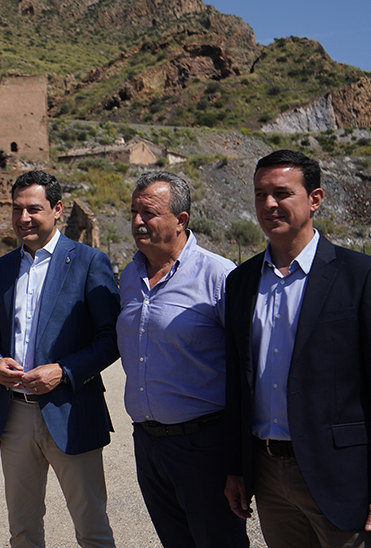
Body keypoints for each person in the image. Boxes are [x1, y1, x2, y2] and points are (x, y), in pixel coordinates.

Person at [223, 150, 371, 548]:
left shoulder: (364, 277)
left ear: (315, 199)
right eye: (260, 194)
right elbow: (237, 382)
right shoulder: (241, 281)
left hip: (342, 477)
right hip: (267, 474)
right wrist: (236, 467)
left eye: (281, 193)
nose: (269, 204)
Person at [0, 170, 120, 548]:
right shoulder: (1, 269)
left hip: (72, 410)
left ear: (57, 210)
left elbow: (112, 338)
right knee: (22, 531)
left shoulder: (90, 261)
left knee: (92, 529)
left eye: (33, 209)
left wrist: (64, 371)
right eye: (17, 209)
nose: (23, 217)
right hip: (15, 416)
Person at [117, 171, 248, 548]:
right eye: (133, 212)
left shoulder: (219, 276)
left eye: (149, 213)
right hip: (148, 444)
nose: (138, 222)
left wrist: (239, 460)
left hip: (205, 446)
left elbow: (245, 367)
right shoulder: (129, 276)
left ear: (182, 220)